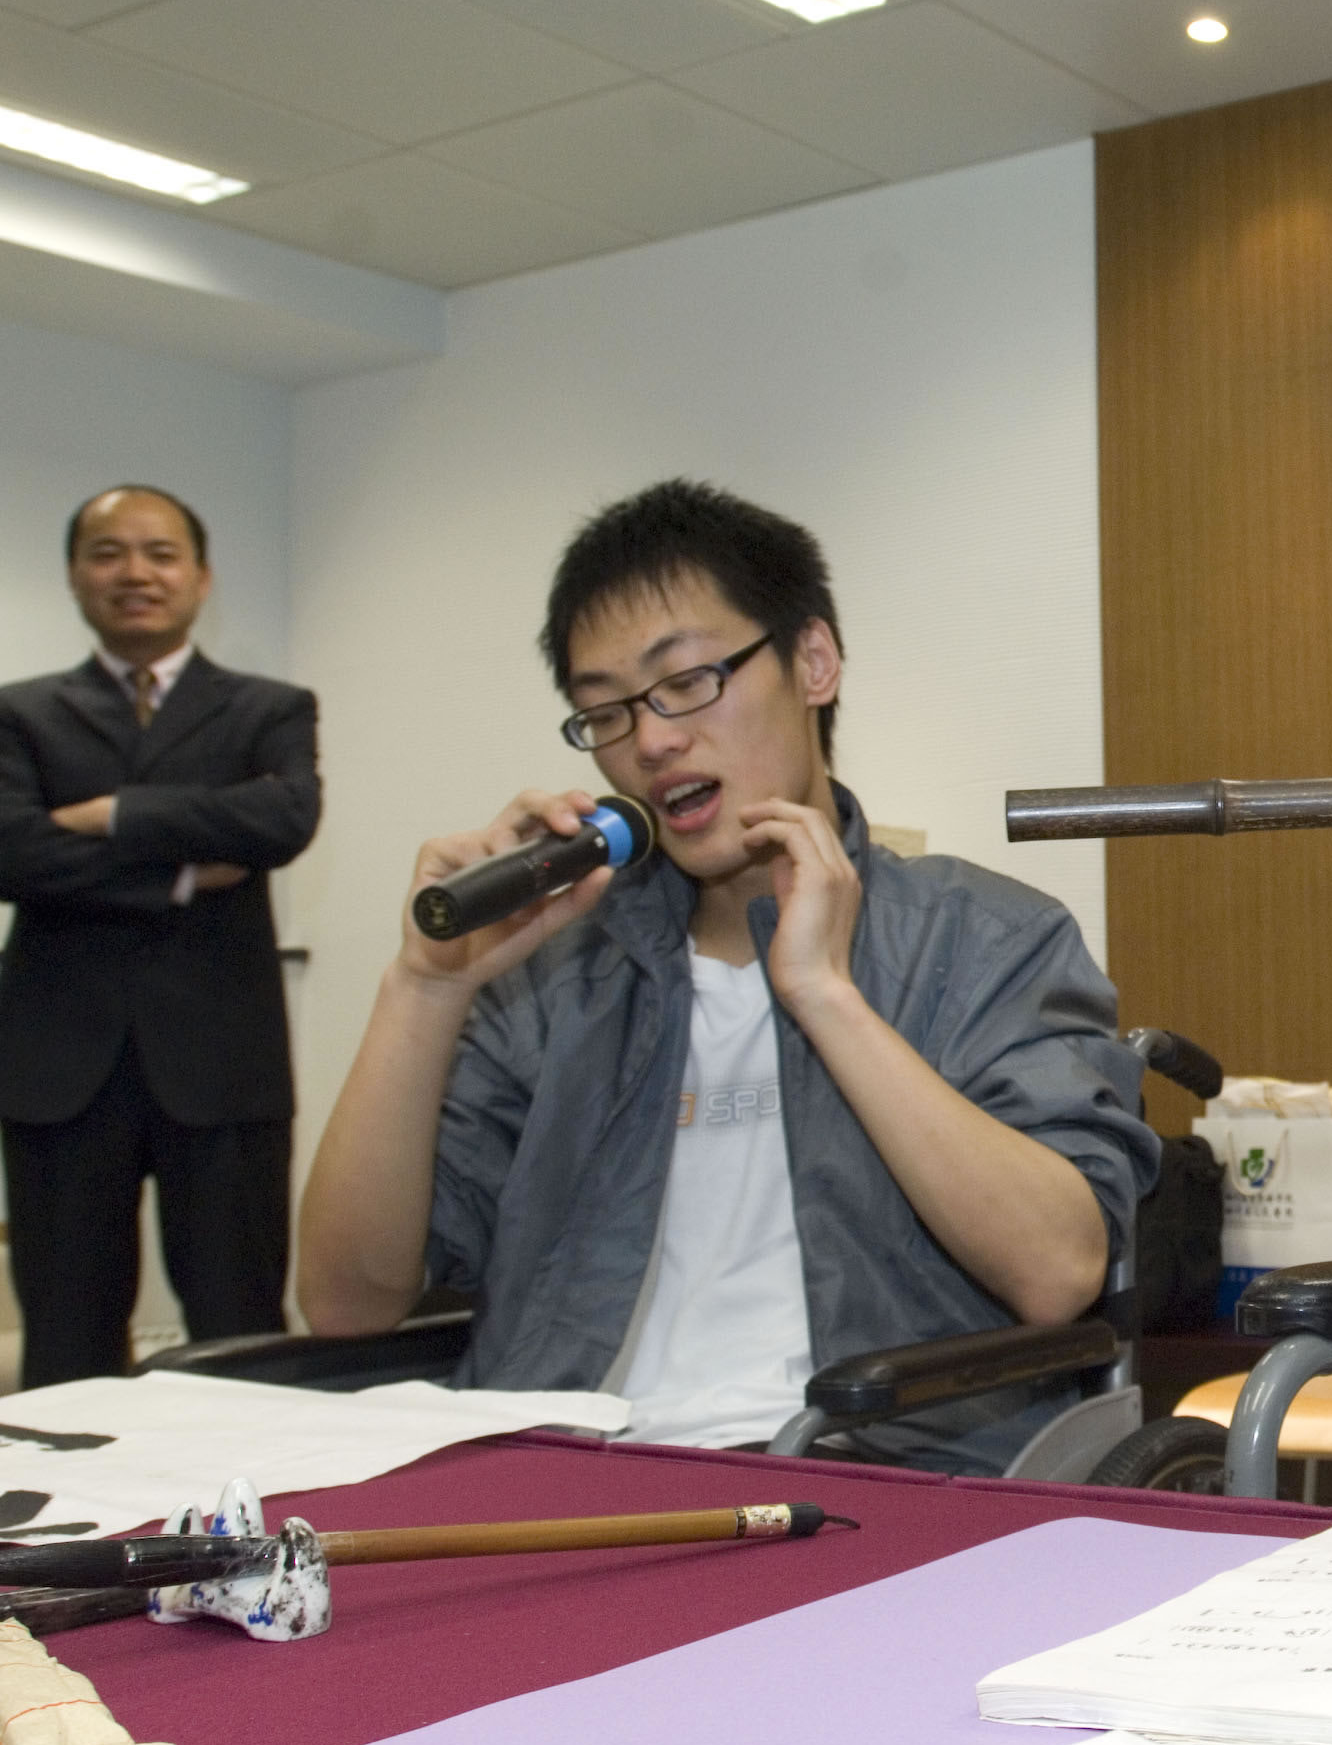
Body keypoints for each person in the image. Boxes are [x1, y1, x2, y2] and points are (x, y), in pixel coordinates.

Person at [298, 481, 1156, 1472]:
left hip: (863, 1478)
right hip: (559, 1482)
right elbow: (345, 1302)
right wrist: (427, 987)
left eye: (691, 680)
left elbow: (1058, 1271)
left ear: (814, 663)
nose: (655, 740)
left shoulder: (984, 938)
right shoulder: (555, 973)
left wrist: (826, 996)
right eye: (607, 711)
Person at [0, 486, 322, 1387]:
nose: (135, 573)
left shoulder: (270, 708)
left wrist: (114, 814)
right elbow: (13, 853)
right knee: (66, 1343)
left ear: (200, 576)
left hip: (224, 1063)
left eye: (160, 553)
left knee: (242, 1334)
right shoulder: (17, 715)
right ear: (74, 573)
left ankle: (246, 1526)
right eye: (108, 553)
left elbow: (284, 819)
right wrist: (181, 867)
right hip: (58, 1068)